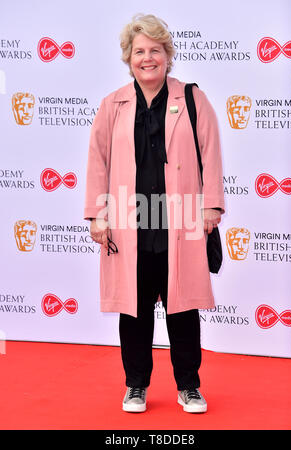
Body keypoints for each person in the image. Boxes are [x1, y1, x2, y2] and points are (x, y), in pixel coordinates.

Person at [84, 14, 225, 413]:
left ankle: (189, 386)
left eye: (155, 51)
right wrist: (98, 213)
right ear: (129, 58)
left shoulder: (193, 99)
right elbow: (98, 162)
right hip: (130, 225)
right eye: (139, 51)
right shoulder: (113, 104)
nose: (148, 58)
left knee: (183, 308)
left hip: (181, 221)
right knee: (134, 309)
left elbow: (211, 153)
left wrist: (211, 204)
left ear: (168, 56)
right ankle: (136, 385)